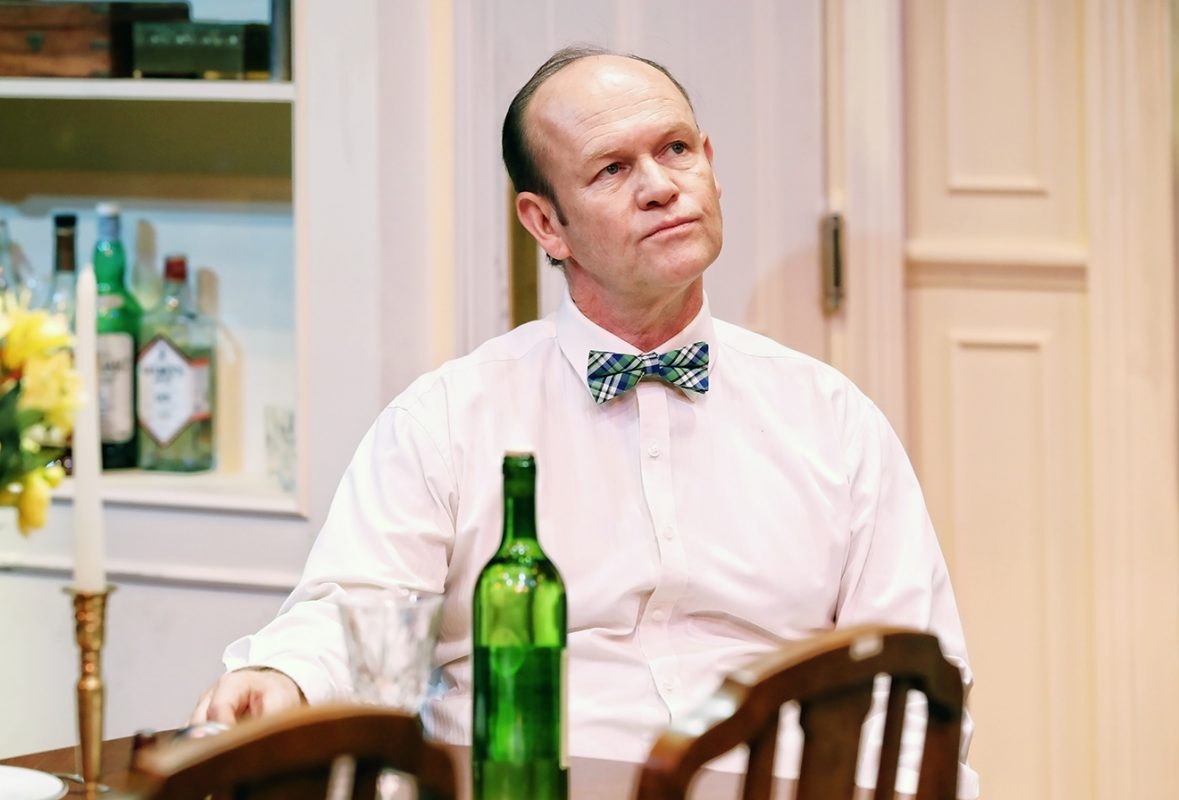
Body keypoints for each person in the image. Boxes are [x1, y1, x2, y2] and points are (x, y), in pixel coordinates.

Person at [192, 45, 978, 797]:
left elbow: (916, 675)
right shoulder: (446, 421)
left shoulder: (833, 419)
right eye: (612, 169)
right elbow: (358, 611)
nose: (661, 186)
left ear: (710, 163)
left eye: (676, 150)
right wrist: (284, 673)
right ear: (546, 224)